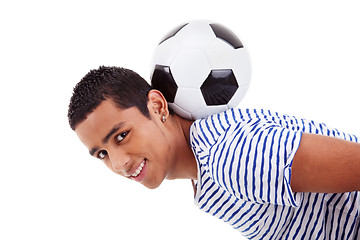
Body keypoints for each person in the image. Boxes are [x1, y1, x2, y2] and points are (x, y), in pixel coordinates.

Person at [68, 66, 360, 239]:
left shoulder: (227, 156)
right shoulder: (207, 170)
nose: (119, 163)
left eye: (121, 136)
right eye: (102, 154)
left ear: (157, 107)